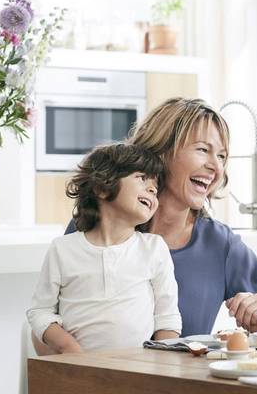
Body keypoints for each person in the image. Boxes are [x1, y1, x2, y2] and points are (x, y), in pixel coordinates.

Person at [65, 98, 257, 337]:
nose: (216, 167)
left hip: (177, 375)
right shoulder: (97, 223)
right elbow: (46, 324)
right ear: (161, 151)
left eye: (221, 156)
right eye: (203, 150)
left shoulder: (219, 245)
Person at [27, 143, 182, 355]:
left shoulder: (154, 248)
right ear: (102, 188)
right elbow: (40, 312)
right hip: (78, 372)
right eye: (142, 178)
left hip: (138, 372)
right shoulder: (62, 249)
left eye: (155, 186)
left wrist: (163, 366)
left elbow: (167, 318)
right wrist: (69, 348)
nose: (153, 189)